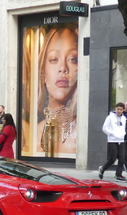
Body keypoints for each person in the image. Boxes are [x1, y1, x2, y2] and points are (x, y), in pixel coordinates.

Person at [36, 23, 78, 156]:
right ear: (43, 73)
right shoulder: (33, 132)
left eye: (73, 59)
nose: (63, 68)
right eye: (54, 59)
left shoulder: (81, 129)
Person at [99, 102, 127, 182]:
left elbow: (123, 128)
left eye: (121, 109)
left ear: (123, 110)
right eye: (118, 109)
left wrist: (123, 134)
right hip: (112, 140)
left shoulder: (124, 118)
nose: (119, 111)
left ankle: (118, 175)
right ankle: (103, 168)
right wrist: (112, 134)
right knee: (113, 158)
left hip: (121, 140)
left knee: (122, 158)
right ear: (115, 109)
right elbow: (104, 128)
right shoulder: (110, 117)